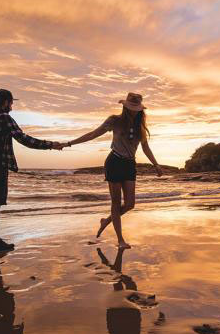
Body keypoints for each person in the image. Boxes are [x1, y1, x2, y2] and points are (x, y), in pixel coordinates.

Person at [0, 89, 65, 252]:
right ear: (5, 102)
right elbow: (24, 139)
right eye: (11, 102)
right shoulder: (5, 118)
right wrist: (50, 145)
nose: (11, 106)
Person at [67, 93, 162, 249]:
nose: (134, 111)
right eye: (131, 108)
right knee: (116, 203)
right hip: (114, 162)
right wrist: (69, 143)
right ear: (125, 106)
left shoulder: (140, 126)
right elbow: (92, 134)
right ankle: (120, 240)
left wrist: (156, 165)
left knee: (130, 204)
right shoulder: (114, 121)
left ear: (140, 109)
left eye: (136, 108)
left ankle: (106, 221)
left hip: (130, 164)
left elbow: (145, 147)